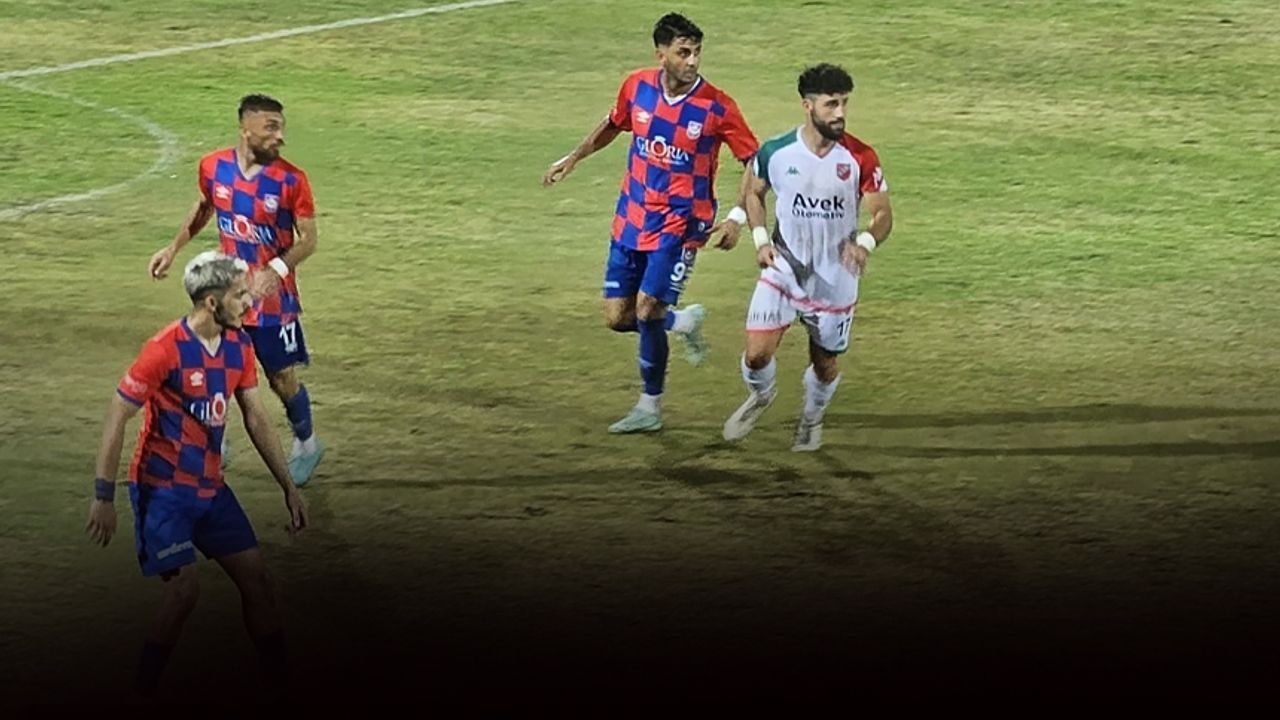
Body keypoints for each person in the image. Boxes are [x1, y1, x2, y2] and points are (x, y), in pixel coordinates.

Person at [85, 251, 309, 697]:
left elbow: (256, 417)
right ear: (211, 302)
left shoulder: (239, 346)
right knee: (183, 592)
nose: (250, 303)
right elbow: (117, 414)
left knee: (259, 583)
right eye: (240, 295)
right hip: (163, 491)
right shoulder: (164, 350)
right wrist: (103, 496)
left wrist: (288, 486)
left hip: (211, 490)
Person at [542, 12, 760, 433]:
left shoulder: (716, 106)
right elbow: (613, 123)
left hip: (683, 222)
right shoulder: (637, 86)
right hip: (632, 215)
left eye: (697, 52)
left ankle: (649, 407)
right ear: (661, 54)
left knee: (647, 310)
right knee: (618, 317)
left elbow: (754, 159)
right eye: (683, 52)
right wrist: (574, 157)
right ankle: (683, 321)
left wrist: (738, 216)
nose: (692, 61)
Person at [147, 93, 324, 485]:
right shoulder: (214, 167)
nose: (280, 136)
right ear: (246, 129)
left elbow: (309, 239)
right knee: (212, 366)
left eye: (281, 128)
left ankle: (307, 442)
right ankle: (212, 444)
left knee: (280, 378)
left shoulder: (292, 180)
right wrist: (173, 248)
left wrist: (276, 270)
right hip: (228, 295)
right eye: (270, 128)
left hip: (273, 301)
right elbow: (204, 207)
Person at [722, 63, 894, 451]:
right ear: (808, 106)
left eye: (844, 103)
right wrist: (760, 239)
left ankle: (812, 416)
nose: (841, 113)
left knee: (825, 363)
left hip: (836, 278)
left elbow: (883, 213)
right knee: (756, 356)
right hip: (783, 268)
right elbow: (754, 192)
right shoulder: (776, 151)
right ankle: (761, 396)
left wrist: (865, 243)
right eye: (832, 104)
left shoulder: (860, 157)